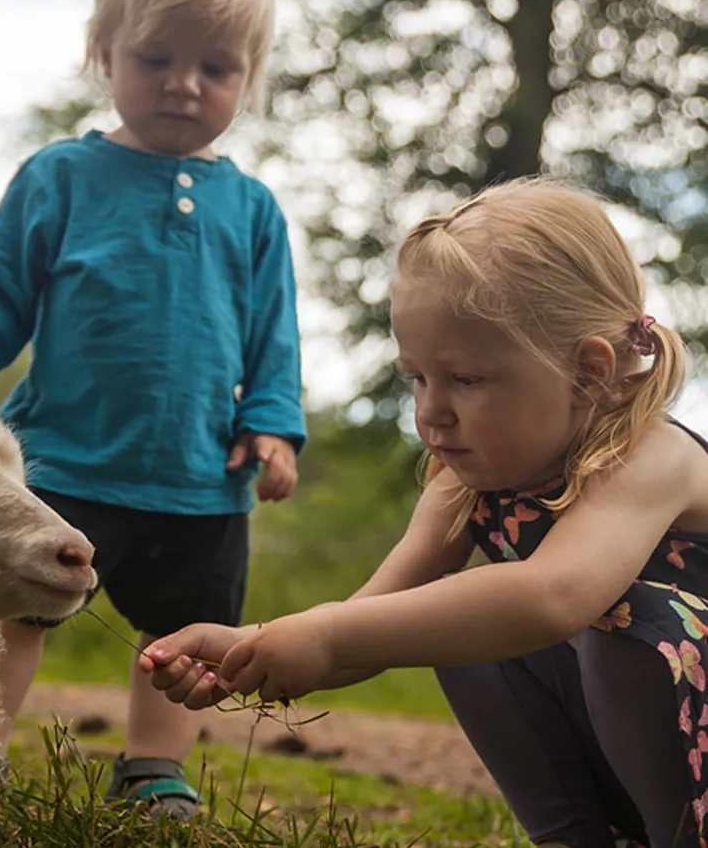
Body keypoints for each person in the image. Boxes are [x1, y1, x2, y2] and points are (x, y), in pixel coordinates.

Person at [141, 178, 708, 848]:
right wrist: (254, 646)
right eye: (417, 378)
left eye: (466, 379)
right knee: (451, 619)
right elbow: (370, 618)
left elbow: (549, 596)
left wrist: (328, 637)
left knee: (628, 625)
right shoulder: (469, 478)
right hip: (635, 753)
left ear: (587, 372)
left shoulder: (648, 455)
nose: (431, 411)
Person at [0, 0, 305, 820]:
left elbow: (273, 338)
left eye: (216, 67)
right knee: (16, 613)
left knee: (183, 634)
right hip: (61, 463)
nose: (183, 84)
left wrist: (273, 426)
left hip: (201, 481)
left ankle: (154, 767)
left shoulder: (254, 210)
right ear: (104, 52)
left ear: (250, 75)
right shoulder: (60, 178)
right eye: (156, 57)